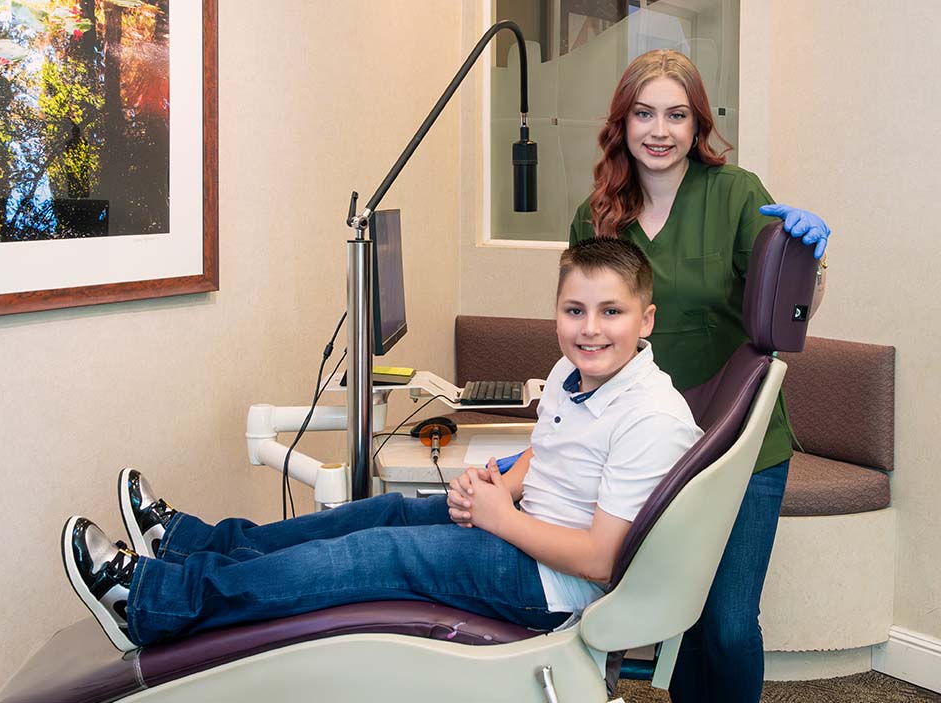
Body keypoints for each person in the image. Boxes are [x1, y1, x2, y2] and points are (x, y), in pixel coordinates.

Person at [62, 238, 703, 657]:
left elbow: (600, 559)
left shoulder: (651, 417)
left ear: (646, 321)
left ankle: (153, 603)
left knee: (375, 554)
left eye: (611, 313)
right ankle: (192, 546)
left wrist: (502, 518)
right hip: (525, 526)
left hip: (549, 587)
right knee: (372, 515)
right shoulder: (575, 372)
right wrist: (498, 483)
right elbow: (551, 454)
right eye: (574, 310)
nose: (590, 329)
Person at [568, 49, 831, 703]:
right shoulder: (597, 215)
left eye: (677, 115)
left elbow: (786, 310)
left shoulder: (738, 194)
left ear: (697, 124)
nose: (660, 130)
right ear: (623, 122)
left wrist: (812, 263)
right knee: (678, 616)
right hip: (649, 446)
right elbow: (589, 332)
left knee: (729, 623)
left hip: (742, 443)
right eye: (645, 113)